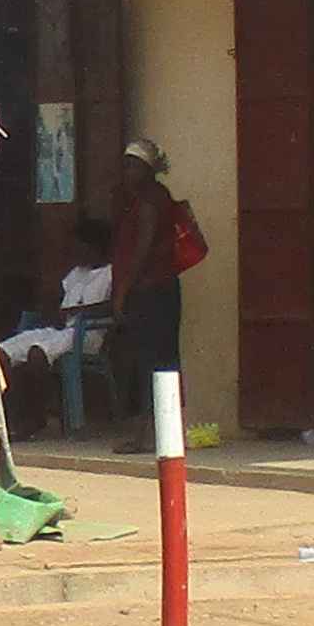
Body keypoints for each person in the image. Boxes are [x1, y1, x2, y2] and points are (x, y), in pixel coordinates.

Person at [105, 138, 204, 441]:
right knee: (157, 360)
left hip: (151, 292)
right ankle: (160, 431)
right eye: (126, 166)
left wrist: (122, 291)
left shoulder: (150, 201)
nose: (129, 172)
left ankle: (151, 432)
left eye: (135, 166)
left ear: (148, 169)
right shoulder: (139, 199)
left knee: (151, 362)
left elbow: (142, 250)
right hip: (154, 290)